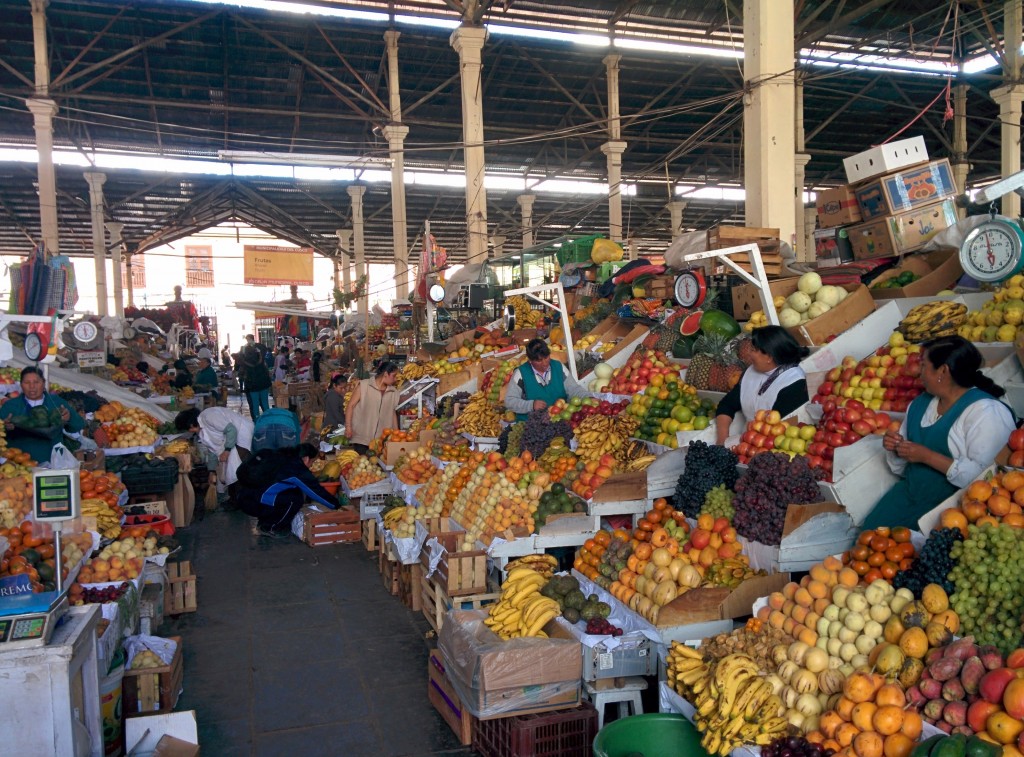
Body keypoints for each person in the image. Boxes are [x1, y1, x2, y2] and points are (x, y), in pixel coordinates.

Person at [862, 336, 1016, 529]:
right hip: (908, 496)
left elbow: (988, 481)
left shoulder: (985, 412)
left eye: (924, 365)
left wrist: (927, 457)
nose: (919, 373)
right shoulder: (919, 404)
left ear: (943, 371)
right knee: (867, 539)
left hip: (954, 509)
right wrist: (896, 448)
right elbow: (902, 469)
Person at [714, 327, 810, 445]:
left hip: (772, 447)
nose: (749, 353)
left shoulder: (795, 383)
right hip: (746, 443)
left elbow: (780, 431)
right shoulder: (751, 372)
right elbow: (727, 405)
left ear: (769, 356)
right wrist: (722, 440)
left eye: (754, 349)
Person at [230, 442, 341, 537]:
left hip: (245, 496)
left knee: (287, 491)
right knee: (295, 498)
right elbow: (316, 492)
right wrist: (337, 506)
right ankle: (271, 528)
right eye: (311, 462)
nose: (311, 466)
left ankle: (265, 522)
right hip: (254, 502)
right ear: (306, 458)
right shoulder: (296, 468)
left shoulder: (280, 455)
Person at [0, 366, 85, 464]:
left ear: (44, 383)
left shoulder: (56, 402)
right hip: (20, 464)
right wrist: (5, 427)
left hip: (53, 462)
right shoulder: (10, 406)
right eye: (27, 383)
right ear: (21, 385)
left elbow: (78, 425)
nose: (32, 387)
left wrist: (69, 417)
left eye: (36, 382)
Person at [504, 338, 589, 421]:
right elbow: (510, 401)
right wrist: (531, 405)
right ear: (530, 360)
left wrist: (588, 397)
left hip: (559, 420)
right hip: (531, 425)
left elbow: (574, 389)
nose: (544, 363)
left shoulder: (558, 367)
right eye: (539, 360)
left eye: (546, 357)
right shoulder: (521, 374)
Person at [174, 406, 253, 490]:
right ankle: (234, 496)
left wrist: (227, 451)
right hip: (230, 440)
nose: (189, 432)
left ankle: (242, 495)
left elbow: (231, 430)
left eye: (187, 429)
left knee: (238, 469)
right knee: (228, 470)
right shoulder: (201, 433)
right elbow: (212, 449)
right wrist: (211, 471)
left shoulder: (209, 417)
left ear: (191, 425)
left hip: (242, 434)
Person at [345, 361, 400, 454]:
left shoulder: (393, 392)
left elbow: (392, 412)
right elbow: (350, 406)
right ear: (386, 374)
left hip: (381, 440)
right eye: (393, 376)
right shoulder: (364, 385)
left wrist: (396, 433)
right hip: (361, 438)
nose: (395, 379)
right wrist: (348, 427)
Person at [242, 344, 272, 419]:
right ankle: (268, 420)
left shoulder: (245, 361)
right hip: (263, 384)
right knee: (265, 403)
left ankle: (257, 422)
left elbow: (243, 373)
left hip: (252, 385)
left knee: (255, 404)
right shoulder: (261, 360)